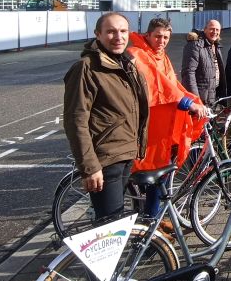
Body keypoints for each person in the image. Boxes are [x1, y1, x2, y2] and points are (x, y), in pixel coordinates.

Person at [63, 12, 149, 220]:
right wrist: (90, 168)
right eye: (110, 32)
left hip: (126, 154)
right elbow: (76, 121)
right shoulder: (87, 68)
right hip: (106, 159)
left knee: (113, 224)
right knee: (109, 230)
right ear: (98, 34)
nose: (118, 37)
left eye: (123, 31)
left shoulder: (125, 63)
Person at [127, 18, 207, 217]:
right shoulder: (137, 54)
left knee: (160, 171)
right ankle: (151, 219)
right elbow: (158, 86)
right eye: (158, 36)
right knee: (154, 171)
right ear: (148, 35)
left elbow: (173, 86)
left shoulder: (161, 56)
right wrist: (188, 103)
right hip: (148, 126)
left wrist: (194, 101)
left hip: (161, 126)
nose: (161, 41)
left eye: (165, 37)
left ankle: (153, 216)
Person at [181, 19, 226, 106]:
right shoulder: (195, 45)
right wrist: (196, 100)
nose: (214, 32)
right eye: (212, 29)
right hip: (200, 99)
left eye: (217, 30)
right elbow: (188, 73)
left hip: (212, 97)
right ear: (205, 29)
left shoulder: (215, 46)